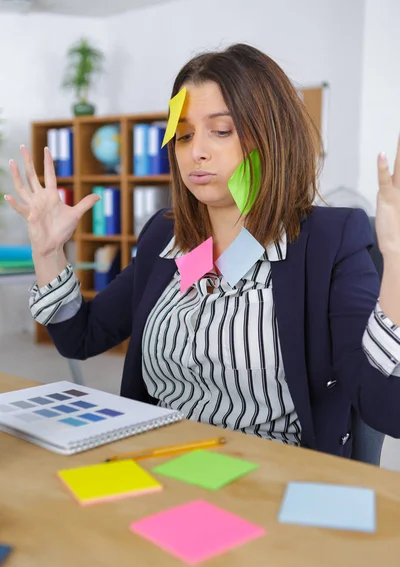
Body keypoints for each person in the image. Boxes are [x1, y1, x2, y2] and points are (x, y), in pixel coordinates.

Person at [5, 43, 400, 458]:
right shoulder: (165, 237)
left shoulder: (330, 240)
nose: (197, 151)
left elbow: (385, 407)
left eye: (222, 131)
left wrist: (395, 256)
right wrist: (49, 252)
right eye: (185, 134)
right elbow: (79, 338)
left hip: (267, 480)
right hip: (155, 464)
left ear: (272, 136)